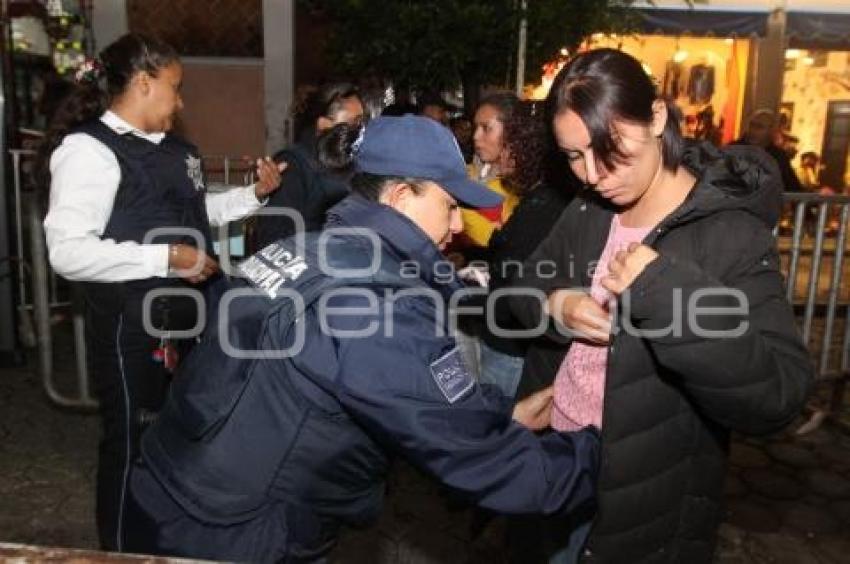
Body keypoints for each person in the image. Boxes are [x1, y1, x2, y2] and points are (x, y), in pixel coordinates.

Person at [123, 115, 601, 562]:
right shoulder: (377, 304)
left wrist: (501, 413)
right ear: (399, 197)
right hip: (235, 529)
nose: (458, 226)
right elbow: (483, 461)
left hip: (173, 485)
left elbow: (388, 390)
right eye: (451, 206)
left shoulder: (305, 246)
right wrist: (602, 457)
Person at [508, 49, 812, 562]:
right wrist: (553, 304)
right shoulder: (588, 209)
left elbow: (778, 396)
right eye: (573, 155)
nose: (592, 173)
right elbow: (514, 291)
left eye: (609, 147)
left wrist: (665, 293)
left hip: (645, 502)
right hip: (553, 462)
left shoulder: (729, 232)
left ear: (656, 118)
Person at [38, 33, 283, 551]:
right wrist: (166, 257)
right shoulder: (89, 150)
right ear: (145, 84)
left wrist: (252, 196)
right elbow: (67, 251)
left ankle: (170, 544)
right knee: (134, 446)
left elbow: (196, 214)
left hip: (185, 323)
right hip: (132, 327)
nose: (181, 101)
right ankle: (124, 551)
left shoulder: (175, 150)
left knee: (176, 442)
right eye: (175, 88)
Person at [461, 97, 574, 399]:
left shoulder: (543, 207)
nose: (477, 138)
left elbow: (516, 299)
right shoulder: (537, 199)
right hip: (505, 342)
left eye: (489, 129)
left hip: (511, 350)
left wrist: (459, 297)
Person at [254, 82, 364, 249]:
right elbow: (275, 238)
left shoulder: (349, 161)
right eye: (353, 123)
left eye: (362, 122)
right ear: (323, 124)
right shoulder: (291, 166)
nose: (360, 130)